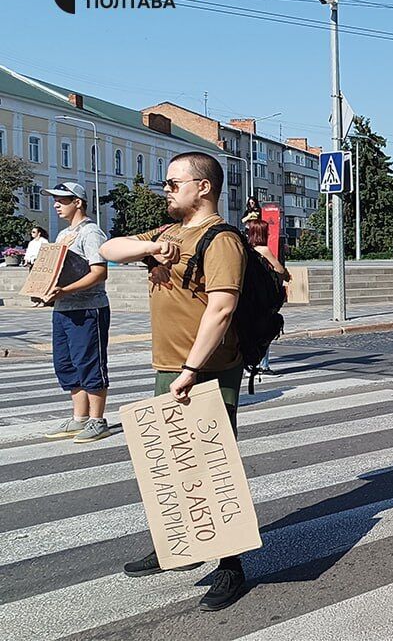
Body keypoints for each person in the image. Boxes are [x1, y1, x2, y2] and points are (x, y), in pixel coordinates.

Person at [100, 151, 247, 611]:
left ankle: (230, 565)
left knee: (213, 466)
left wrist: (190, 370)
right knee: (174, 461)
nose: (166, 189)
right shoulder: (166, 234)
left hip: (206, 369)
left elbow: (221, 309)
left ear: (203, 187)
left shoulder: (221, 240)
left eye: (172, 182)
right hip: (171, 365)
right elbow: (106, 248)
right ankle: (176, 548)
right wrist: (148, 249)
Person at [41, 183, 112, 444]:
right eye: (55, 199)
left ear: (78, 202)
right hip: (63, 308)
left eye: (62, 199)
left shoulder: (91, 233)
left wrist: (64, 290)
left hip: (88, 308)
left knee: (89, 362)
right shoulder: (63, 235)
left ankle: (97, 420)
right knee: (66, 363)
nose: (56, 204)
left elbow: (99, 271)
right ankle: (80, 417)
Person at [245, 217, 288, 375]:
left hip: (249, 297)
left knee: (249, 330)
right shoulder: (263, 249)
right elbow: (279, 270)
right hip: (262, 298)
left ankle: (249, 364)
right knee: (264, 330)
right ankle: (262, 365)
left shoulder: (246, 250)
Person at [26, 226, 49, 307]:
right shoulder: (31, 243)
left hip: (41, 264)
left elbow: (46, 252)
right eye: (32, 232)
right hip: (32, 263)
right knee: (33, 283)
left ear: (39, 233)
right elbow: (28, 252)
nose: (32, 234)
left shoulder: (44, 241)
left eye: (34, 232)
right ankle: (35, 300)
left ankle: (43, 300)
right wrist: (26, 260)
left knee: (41, 282)